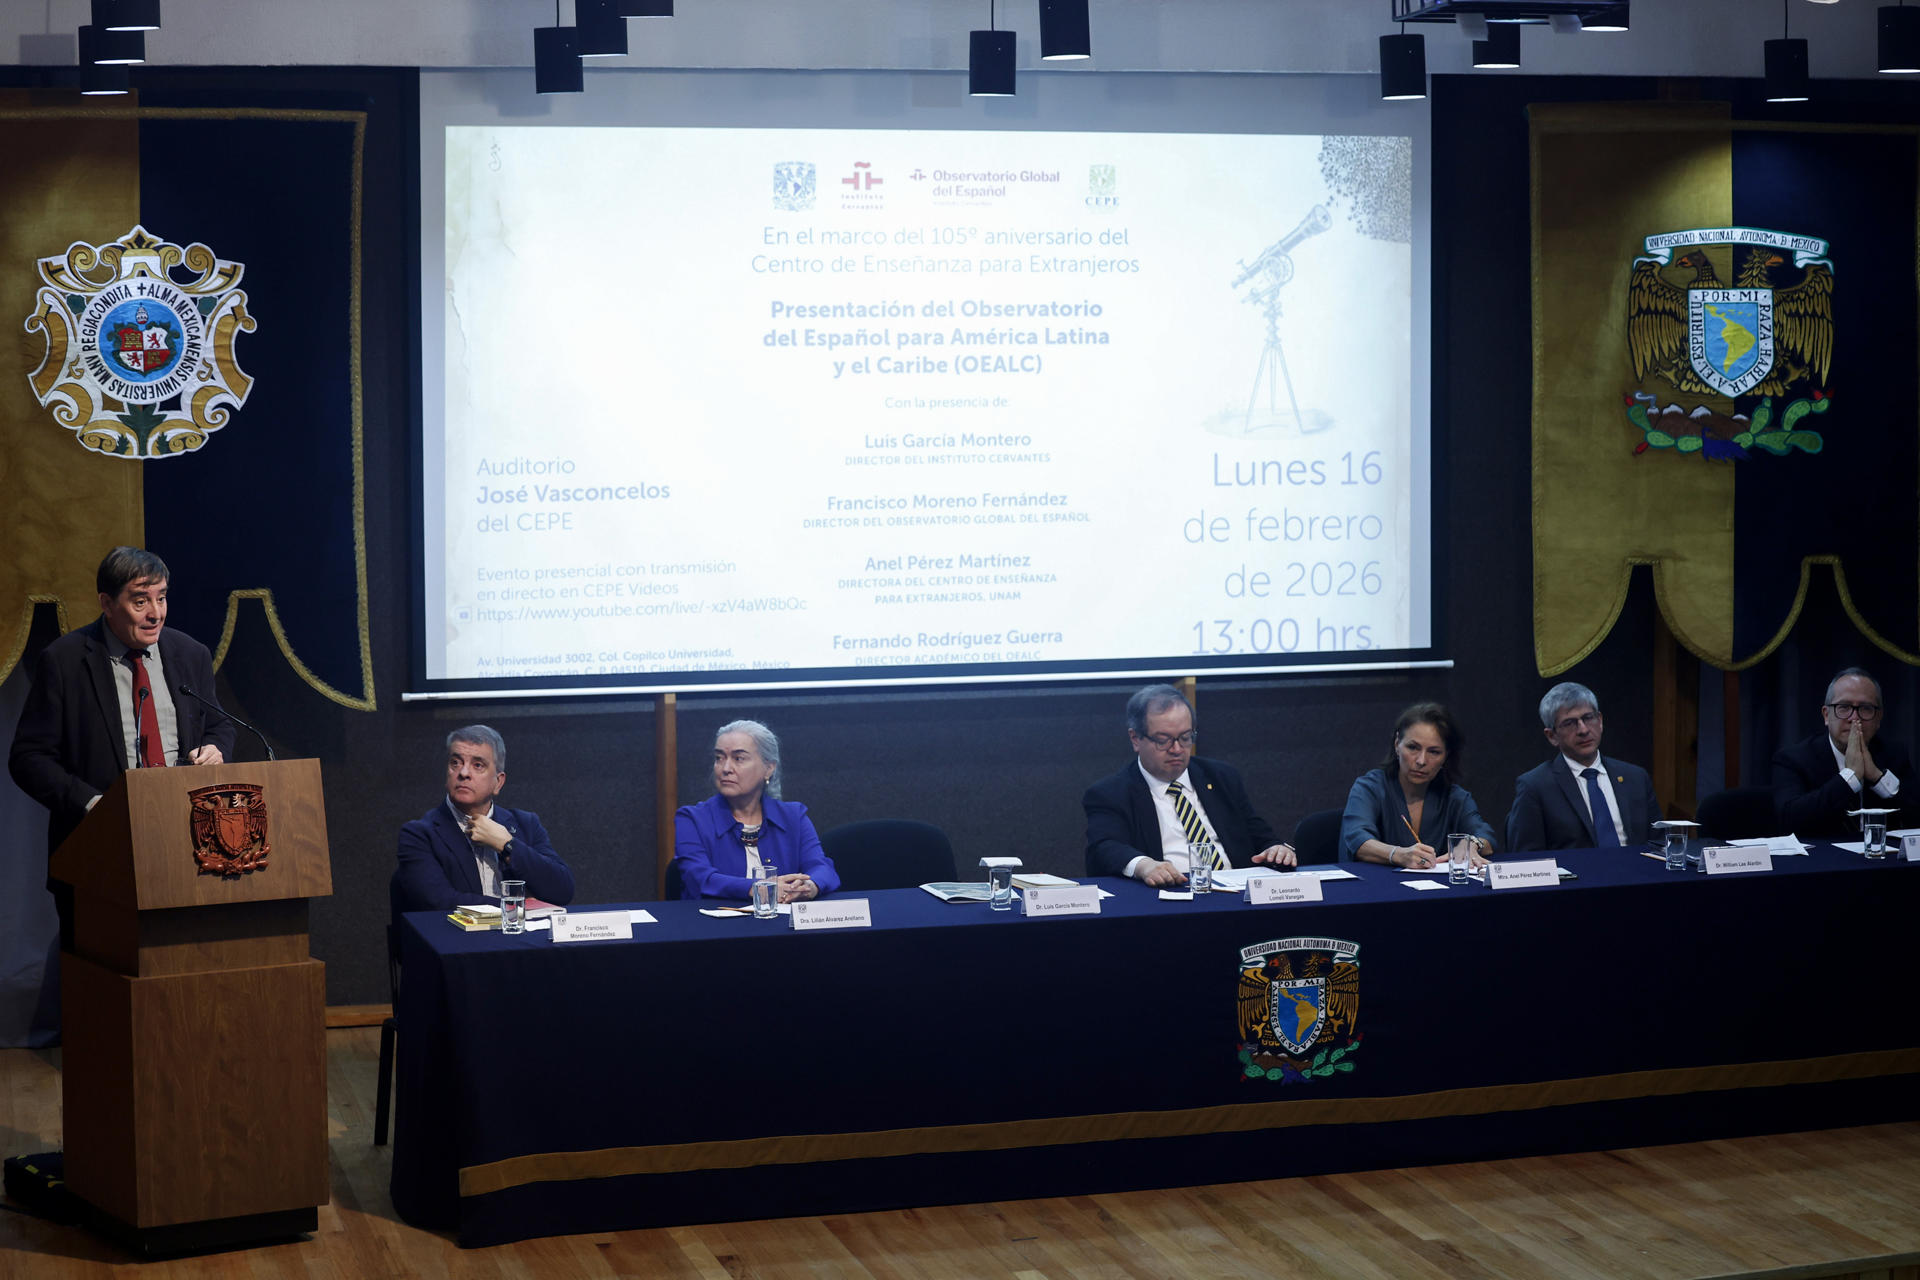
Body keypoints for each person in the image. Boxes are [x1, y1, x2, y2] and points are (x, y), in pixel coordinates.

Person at [10, 548, 236, 906]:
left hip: (185, 843)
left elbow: (219, 724)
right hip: (98, 848)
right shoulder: (65, 661)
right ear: (107, 602)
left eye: (161, 598)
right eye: (140, 601)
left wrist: (216, 747)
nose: (155, 614)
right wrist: (90, 803)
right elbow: (28, 757)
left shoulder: (190, 654)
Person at [1083, 683, 1296, 886]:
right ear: (1136, 739)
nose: (1176, 749)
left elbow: (1260, 835)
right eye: (1163, 739)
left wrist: (1276, 848)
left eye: (1185, 737)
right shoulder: (1111, 793)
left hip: (1237, 893)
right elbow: (1104, 848)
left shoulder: (1221, 777)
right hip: (1169, 897)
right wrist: (1144, 865)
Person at [393, 725, 575, 913]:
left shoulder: (526, 824)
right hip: (458, 940)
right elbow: (437, 901)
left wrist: (507, 845)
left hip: (520, 941)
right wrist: (518, 907)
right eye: (455, 762)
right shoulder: (419, 834)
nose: (463, 773)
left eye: (477, 765)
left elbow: (562, 890)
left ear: (498, 782)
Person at [674, 719, 839, 901]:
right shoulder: (692, 819)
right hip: (715, 925)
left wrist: (808, 887)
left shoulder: (794, 816)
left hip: (781, 925)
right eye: (719, 758)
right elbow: (698, 879)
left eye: (738, 758)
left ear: (768, 769)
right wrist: (758, 889)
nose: (725, 768)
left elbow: (822, 868)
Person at [1505, 682, 1663, 852]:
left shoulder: (1635, 778)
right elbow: (1526, 858)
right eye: (1569, 723)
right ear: (1551, 736)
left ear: (1600, 721)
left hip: (1638, 875)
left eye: (1588, 718)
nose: (1583, 729)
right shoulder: (1535, 786)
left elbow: (1658, 843)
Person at [1341, 702, 1495, 867]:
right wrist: (1398, 854)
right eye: (1413, 747)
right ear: (1397, 744)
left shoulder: (1454, 796)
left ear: (1446, 756)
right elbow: (1358, 840)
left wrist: (1472, 844)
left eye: (1434, 752)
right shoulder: (1370, 787)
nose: (1421, 761)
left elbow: (1486, 836)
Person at [1772, 667, 1916, 841]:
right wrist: (1849, 777)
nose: (1855, 718)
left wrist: (1878, 777)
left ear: (1879, 719)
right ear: (1826, 715)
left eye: (1865, 708)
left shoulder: (1894, 754)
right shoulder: (1794, 759)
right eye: (1844, 707)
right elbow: (1789, 820)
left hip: (1881, 861)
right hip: (1822, 862)